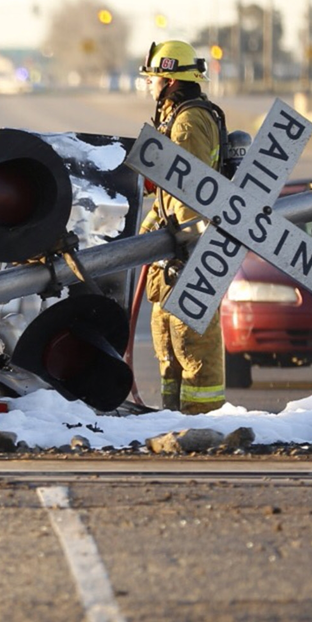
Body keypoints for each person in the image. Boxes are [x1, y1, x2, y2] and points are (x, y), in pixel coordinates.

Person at [136, 39, 228, 414]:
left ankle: (202, 423)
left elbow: (190, 191)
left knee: (194, 348)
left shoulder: (188, 123)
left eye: (153, 78)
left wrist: (187, 255)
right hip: (173, 254)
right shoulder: (177, 118)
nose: (150, 85)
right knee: (169, 346)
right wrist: (146, 234)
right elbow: (167, 196)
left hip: (186, 257)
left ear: (170, 80)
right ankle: (172, 419)